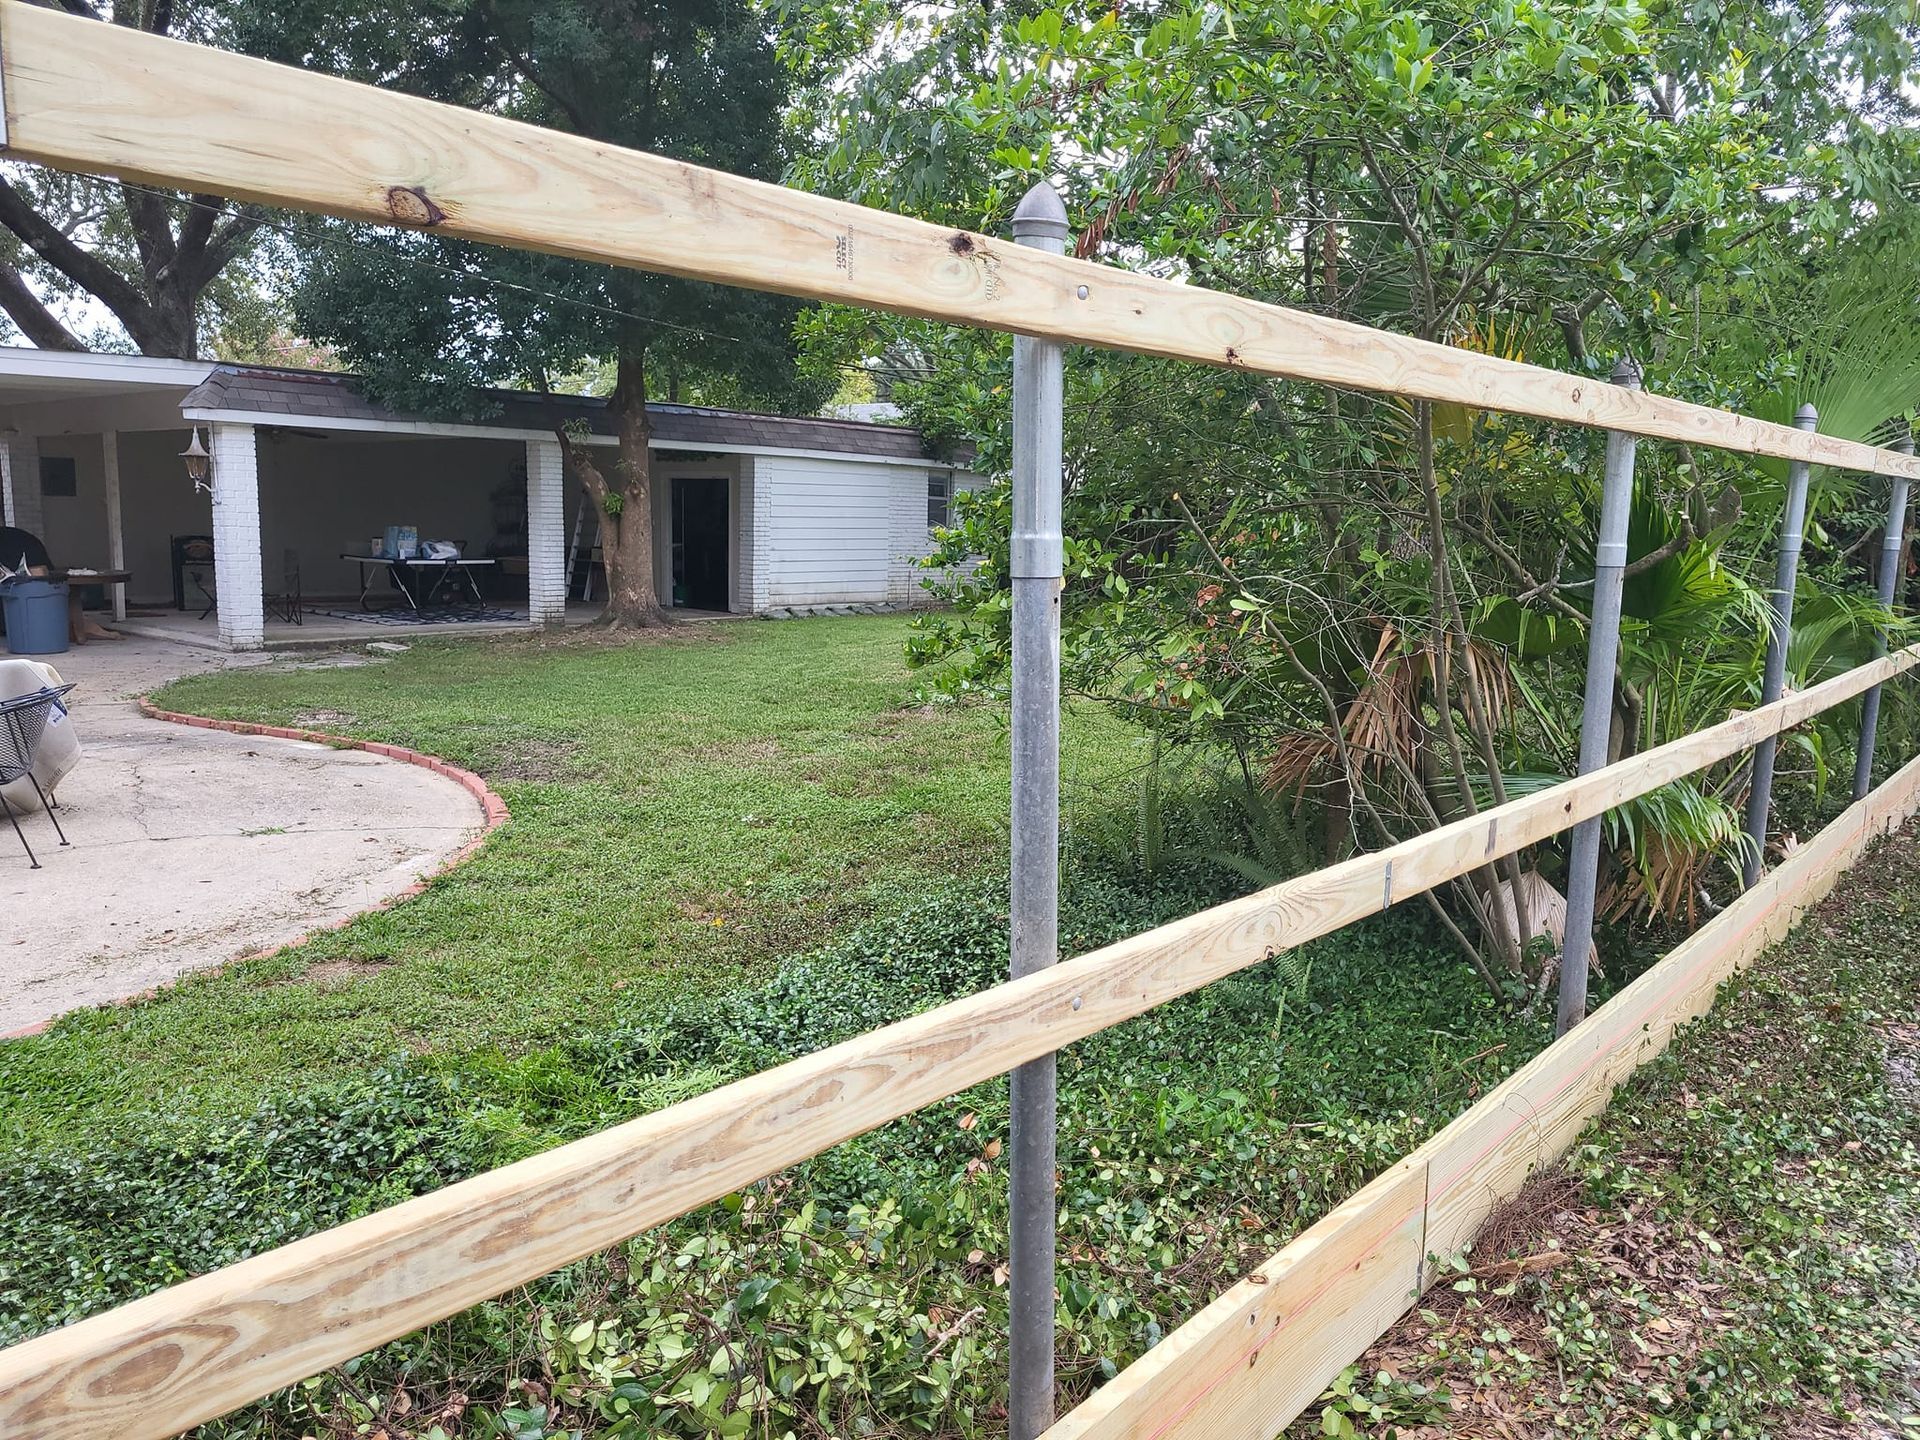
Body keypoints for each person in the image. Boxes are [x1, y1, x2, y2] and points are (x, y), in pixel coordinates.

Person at [0, 523, 121, 642]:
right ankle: (80, 627)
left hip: (33, 601)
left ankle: (80, 627)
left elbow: (40, 574)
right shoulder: (21, 540)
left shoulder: (19, 541)